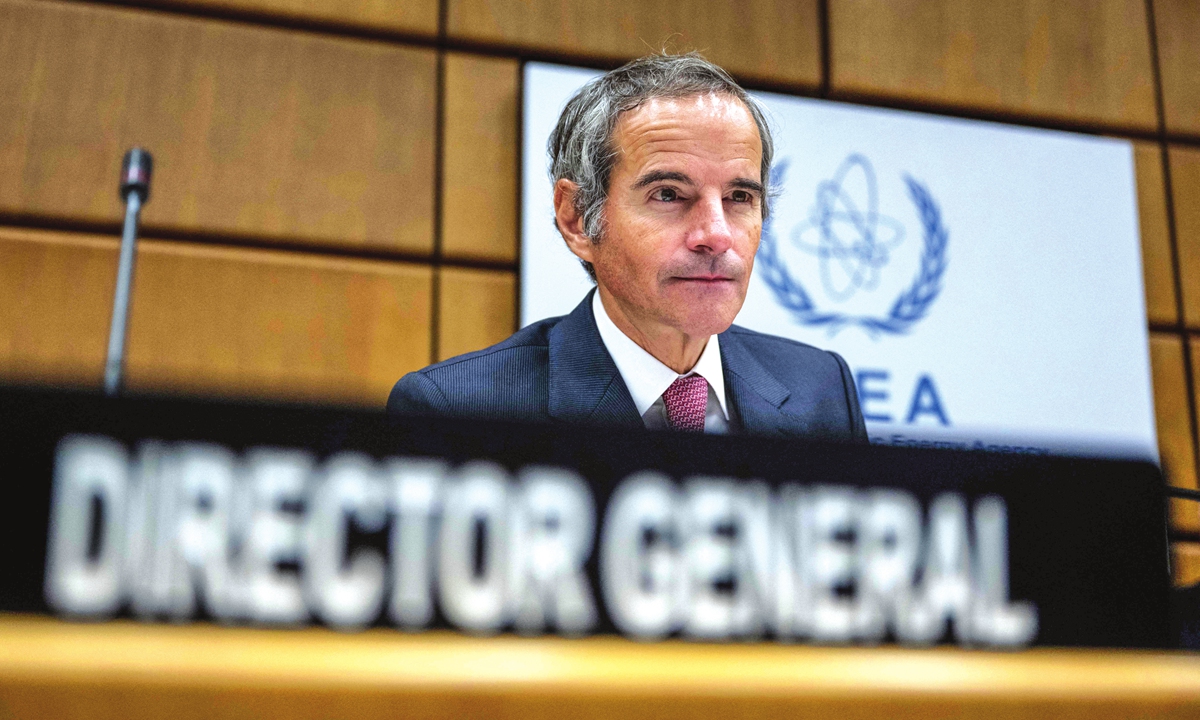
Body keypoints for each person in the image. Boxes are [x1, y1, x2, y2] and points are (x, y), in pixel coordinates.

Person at [389, 53, 866, 441]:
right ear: (577, 219)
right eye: (669, 195)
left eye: (739, 197)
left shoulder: (821, 390)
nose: (717, 234)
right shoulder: (459, 413)